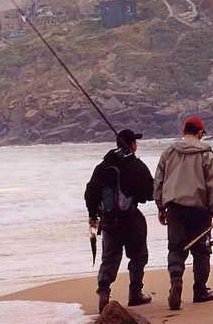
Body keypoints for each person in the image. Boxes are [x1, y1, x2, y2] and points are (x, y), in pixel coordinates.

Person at [153, 116, 213, 310]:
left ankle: (176, 282)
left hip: (175, 208)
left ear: (183, 131)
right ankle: (200, 291)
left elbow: (158, 181)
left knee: (176, 249)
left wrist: (160, 207)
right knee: (202, 251)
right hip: (200, 210)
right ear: (200, 133)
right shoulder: (206, 154)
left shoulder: (169, 152)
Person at [84, 129, 155, 312]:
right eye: (135, 142)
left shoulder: (102, 167)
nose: (136, 145)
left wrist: (93, 215)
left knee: (109, 258)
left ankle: (104, 290)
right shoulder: (136, 166)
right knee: (138, 255)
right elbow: (149, 192)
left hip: (108, 221)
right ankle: (135, 293)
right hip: (131, 218)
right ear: (132, 145)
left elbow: (90, 192)